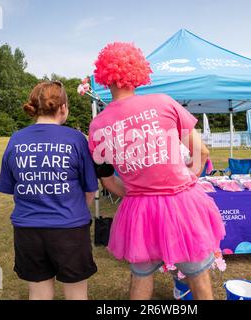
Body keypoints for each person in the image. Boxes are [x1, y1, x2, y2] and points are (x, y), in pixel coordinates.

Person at [88, 42, 226, 300]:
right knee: (198, 274)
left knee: (141, 276)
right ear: (136, 72)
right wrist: (186, 180)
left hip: (138, 210)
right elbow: (202, 152)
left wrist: (135, 194)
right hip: (182, 204)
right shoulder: (163, 103)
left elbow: (107, 181)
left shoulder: (97, 126)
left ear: (105, 77)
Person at [0, 81, 98, 300]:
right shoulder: (76, 139)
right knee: (76, 293)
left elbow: (13, 188)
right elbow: (90, 189)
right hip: (69, 229)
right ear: (62, 107)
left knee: (39, 293)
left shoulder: (16, 140)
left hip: (28, 230)